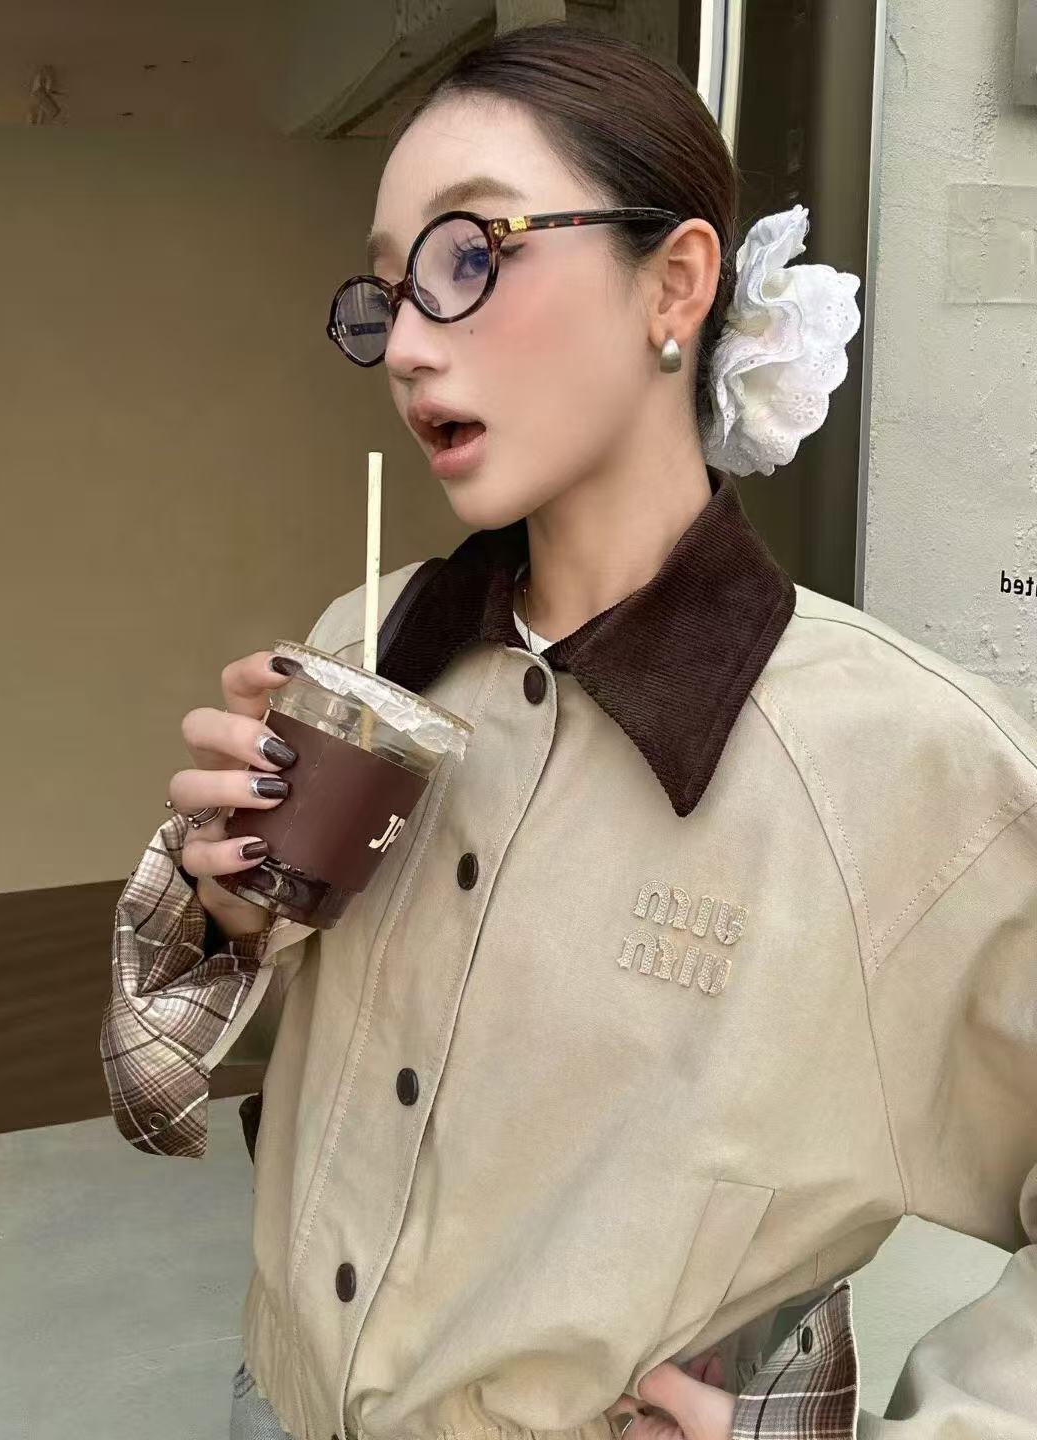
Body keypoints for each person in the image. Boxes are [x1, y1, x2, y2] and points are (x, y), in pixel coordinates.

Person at [100, 22, 1037, 1440]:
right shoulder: (365, 644)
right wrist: (230, 914)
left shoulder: (898, 763)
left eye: (470, 254)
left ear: (675, 283)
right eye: (388, 289)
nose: (410, 344)